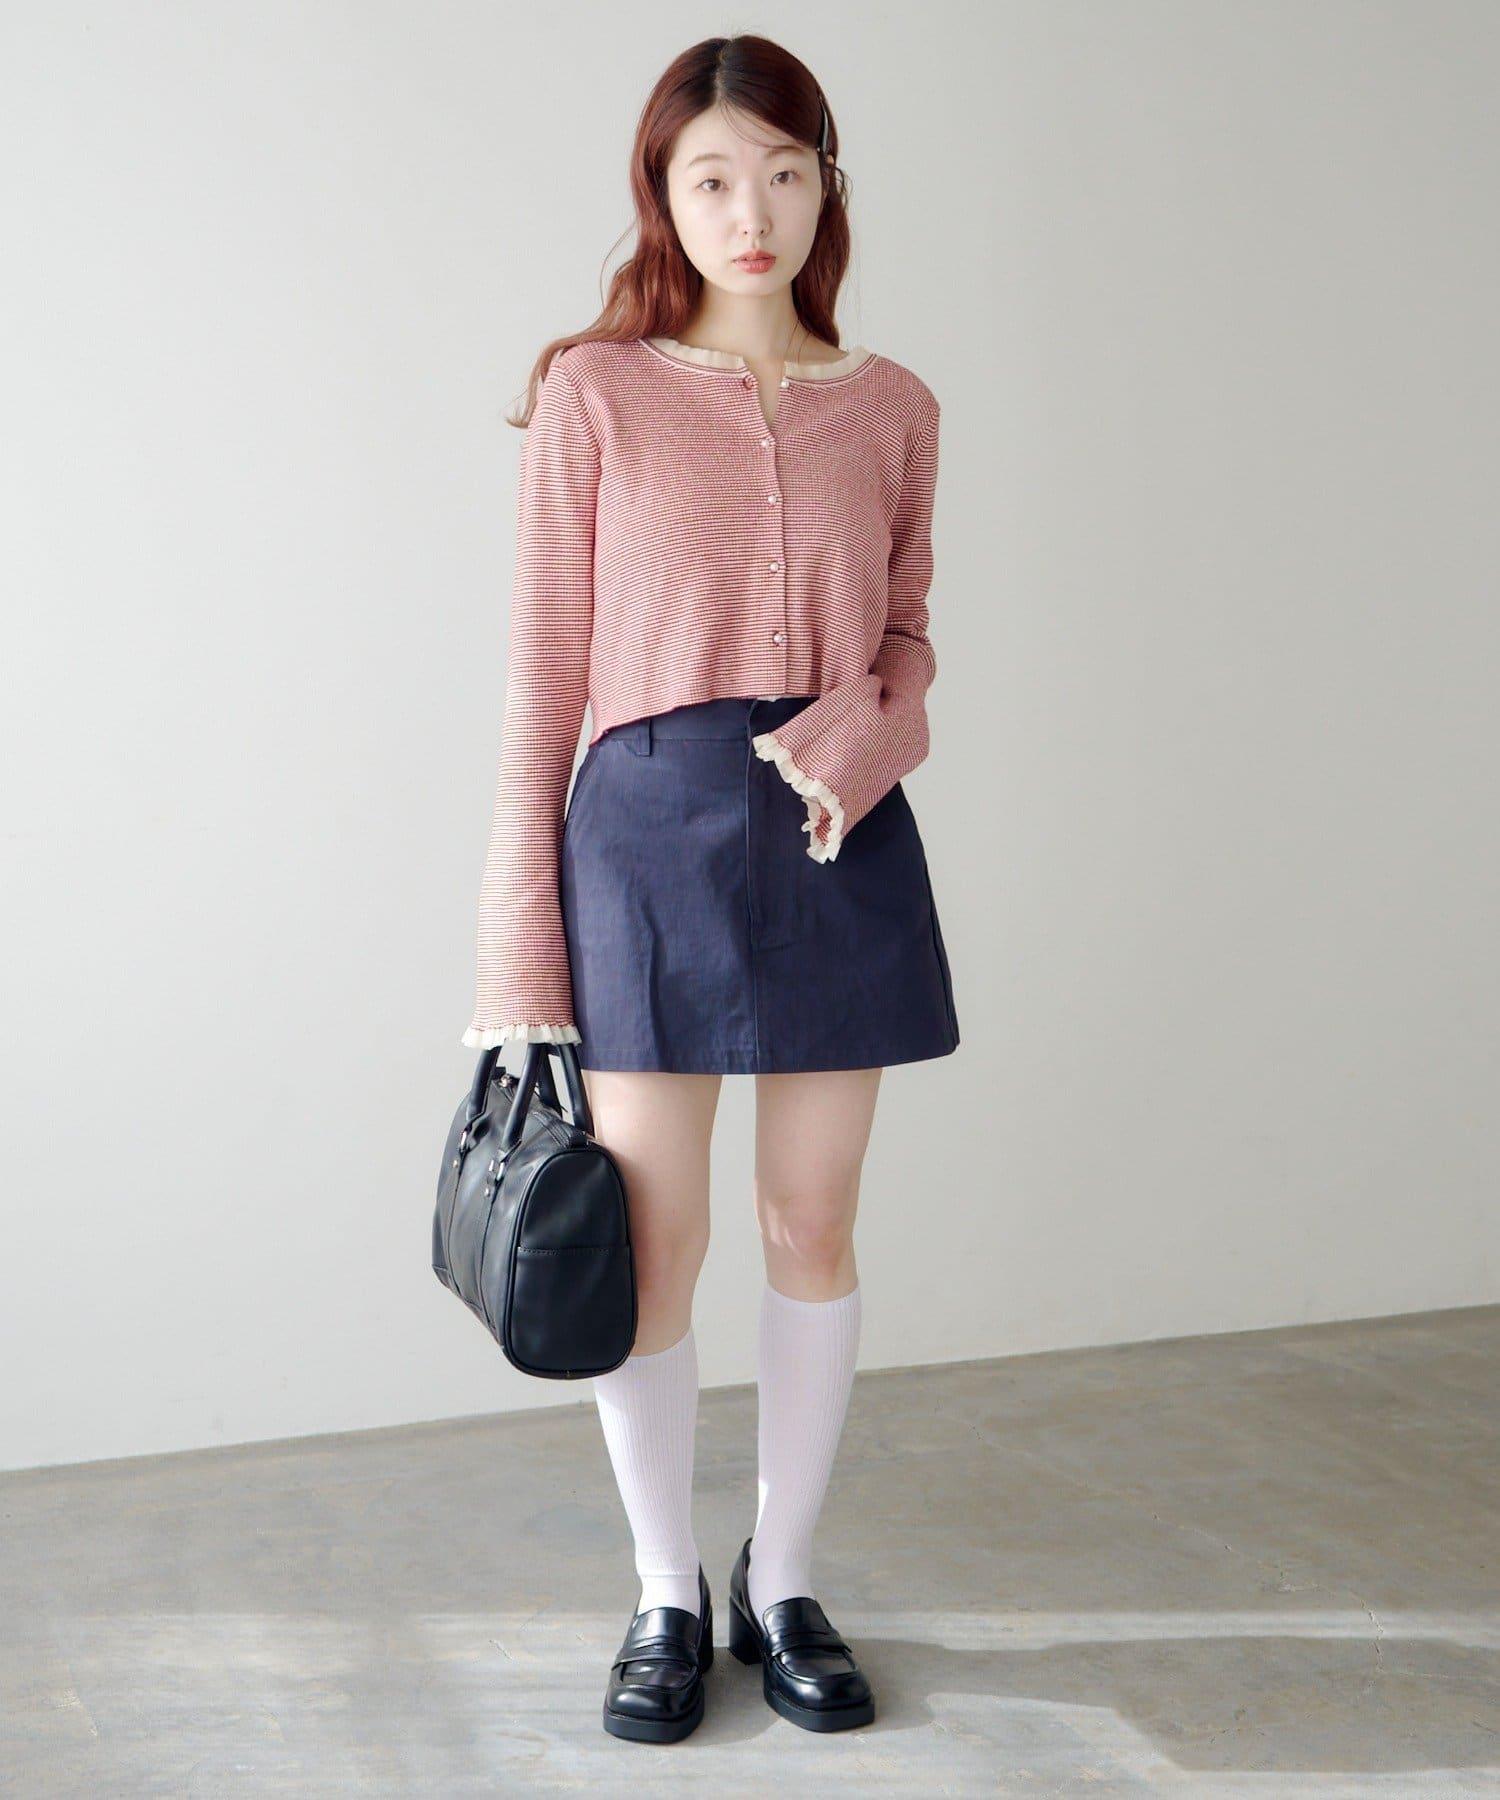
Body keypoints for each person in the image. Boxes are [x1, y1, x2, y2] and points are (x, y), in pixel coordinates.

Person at [462, 32, 960, 1744]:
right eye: (715, 177)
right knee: (655, 1245)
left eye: (786, 172)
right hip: (644, 834)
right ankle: (666, 1589)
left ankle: (785, 1577)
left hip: (834, 829)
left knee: (811, 1222)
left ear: (827, 188)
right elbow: (542, 683)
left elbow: (907, 640)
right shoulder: (595, 394)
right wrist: (517, 949)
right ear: (665, 196)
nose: (754, 210)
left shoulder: (895, 407)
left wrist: (855, 741)